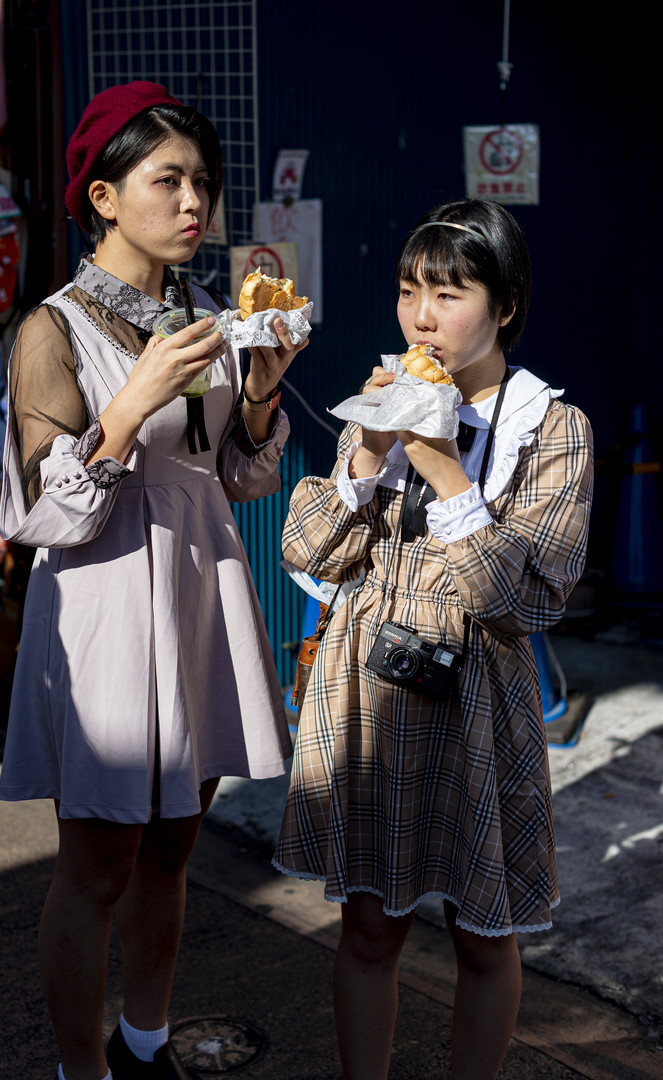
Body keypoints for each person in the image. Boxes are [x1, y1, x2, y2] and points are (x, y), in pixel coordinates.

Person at [0, 81, 307, 1080]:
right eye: (167, 180)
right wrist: (124, 411)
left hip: (197, 594)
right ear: (101, 195)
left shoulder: (206, 317)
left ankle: (144, 1042)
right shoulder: (53, 330)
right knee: (96, 868)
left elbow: (238, 480)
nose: (194, 205)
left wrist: (258, 396)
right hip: (103, 607)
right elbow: (42, 514)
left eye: (203, 184)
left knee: (174, 848)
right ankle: (76, 1069)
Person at [273, 199, 593, 1080]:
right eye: (410, 289)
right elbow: (308, 552)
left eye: (449, 293)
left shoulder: (553, 429)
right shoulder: (384, 399)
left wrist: (446, 463)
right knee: (369, 924)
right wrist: (370, 452)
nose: (422, 315)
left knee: (485, 935)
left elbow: (522, 604)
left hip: (480, 700)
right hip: (370, 688)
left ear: (507, 303)